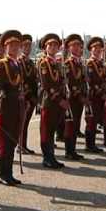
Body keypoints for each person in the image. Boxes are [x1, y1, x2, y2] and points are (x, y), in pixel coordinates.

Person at [0, 30, 25, 185]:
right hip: (6, 107)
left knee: (13, 141)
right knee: (5, 142)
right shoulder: (1, 64)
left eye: (17, 45)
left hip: (17, 107)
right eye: (11, 45)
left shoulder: (17, 64)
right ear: (5, 47)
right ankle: (3, 175)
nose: (14, 48)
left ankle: (9, 173)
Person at [38, 33, 68, 168]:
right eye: (50, 45)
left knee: (52, 130)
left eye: (56, 45)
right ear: (45, 47)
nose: (53, 47)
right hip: (49, 102)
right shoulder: (44, 63)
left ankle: (52, 157)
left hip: (58, 102)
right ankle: (47, 158)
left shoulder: (57, 63)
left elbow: (59, 82)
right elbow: (46, 85)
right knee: (46, 131)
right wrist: (59, 99)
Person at [62, 34, 87, 159]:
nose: (77, 48)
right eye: (74, 45)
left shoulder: (80, 63)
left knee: (76, 124)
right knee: (70, 125)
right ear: (69, 48)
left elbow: (82, 81)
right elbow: (68, 83)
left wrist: (83, 95)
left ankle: (73, 150)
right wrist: (78, 94)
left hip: (79, 99)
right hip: (71, 99)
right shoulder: (67, 64)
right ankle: (69, 151)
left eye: (79, 46)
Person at [84, 36, 106, 153]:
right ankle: (89, 145)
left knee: (95, 120)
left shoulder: (101, 64)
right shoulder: (90, 64)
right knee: (91, 121)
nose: (98, 50)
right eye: (95, 48)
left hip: (99, 97)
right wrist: (101, 92)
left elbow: (103, 80)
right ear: (91, 50)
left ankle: (92, 144)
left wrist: (105, 90)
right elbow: (91, 82)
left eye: (100, 48)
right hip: (93, 96)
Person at [18, 34, 38, 155]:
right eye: (25, 45)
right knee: (22, 123)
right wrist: (28, 96)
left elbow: (34, 80)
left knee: (26, 123)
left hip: (31, 98)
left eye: (29, 45)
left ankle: (23, 145)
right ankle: (20, 146)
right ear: (20, 47)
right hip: (24, 97)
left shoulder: (30, 62)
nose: (27, 48)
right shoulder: (19, 62)